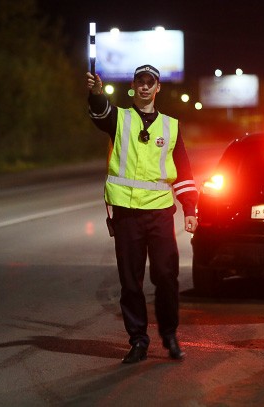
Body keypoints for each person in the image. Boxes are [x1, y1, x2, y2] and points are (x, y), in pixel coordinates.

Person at [86, 64, 198, 364]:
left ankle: (170, 334)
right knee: (130, 282)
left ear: (158, 87)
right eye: (140, 81)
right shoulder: (120, 118)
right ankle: (138, 340)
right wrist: (96, 94)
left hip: (160, 212)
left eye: (151, 82)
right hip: (126, 213)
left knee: (166, 276)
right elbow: (100, 113)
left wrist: (190, 208)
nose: (145, 86)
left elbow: (184, 171)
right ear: (133, 86)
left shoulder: (171, 126)